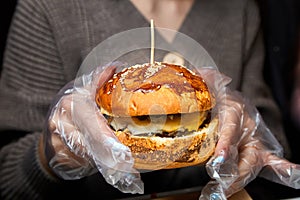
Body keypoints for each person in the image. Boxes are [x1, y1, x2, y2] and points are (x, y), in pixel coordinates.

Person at [0, 0, 299, 199]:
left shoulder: (240, 8)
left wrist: (250, 140)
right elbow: (7, 181)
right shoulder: (48, 8)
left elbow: (274, 151)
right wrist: (50, 154)